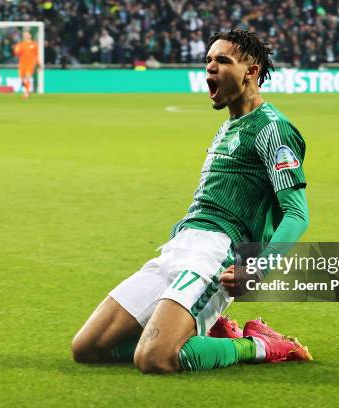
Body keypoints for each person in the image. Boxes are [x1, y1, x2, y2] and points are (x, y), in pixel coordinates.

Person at [71, 29, 312, 374]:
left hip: (217, 253)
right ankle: (202, 330)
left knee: (154, 358)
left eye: (222, 61)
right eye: (208, 60)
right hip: (179, 248)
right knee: (88, 348)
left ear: (251, 71)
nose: (210, 68)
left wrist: (257, 267)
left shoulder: (272, 127)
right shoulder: (229, 126)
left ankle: (259, 344)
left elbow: (296, 213)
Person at [13, 31, 39, 99]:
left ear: (30, 36)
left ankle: (26, 93)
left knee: (27, 77)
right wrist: (16, 50)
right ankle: (26, 90)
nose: (26, 36)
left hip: (30, 64)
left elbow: (36, 55)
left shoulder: (34, 44)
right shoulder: (20, 44)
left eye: (27, 35)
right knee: (22, 79)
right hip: (22, 64)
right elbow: (16, 53)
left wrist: (38, 63)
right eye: (24, 35)